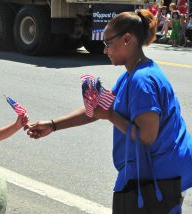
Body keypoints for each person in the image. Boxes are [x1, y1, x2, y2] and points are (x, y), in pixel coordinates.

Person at [26, 9, 192, 210]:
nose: (105, 50)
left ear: (127, 39)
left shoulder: (142, 81)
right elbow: (99, 109)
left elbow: (147, 136)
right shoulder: (130, 75)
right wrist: (53, 125)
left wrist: (111, 116)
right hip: (155, 170)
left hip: (160, 174)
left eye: (108, 43)